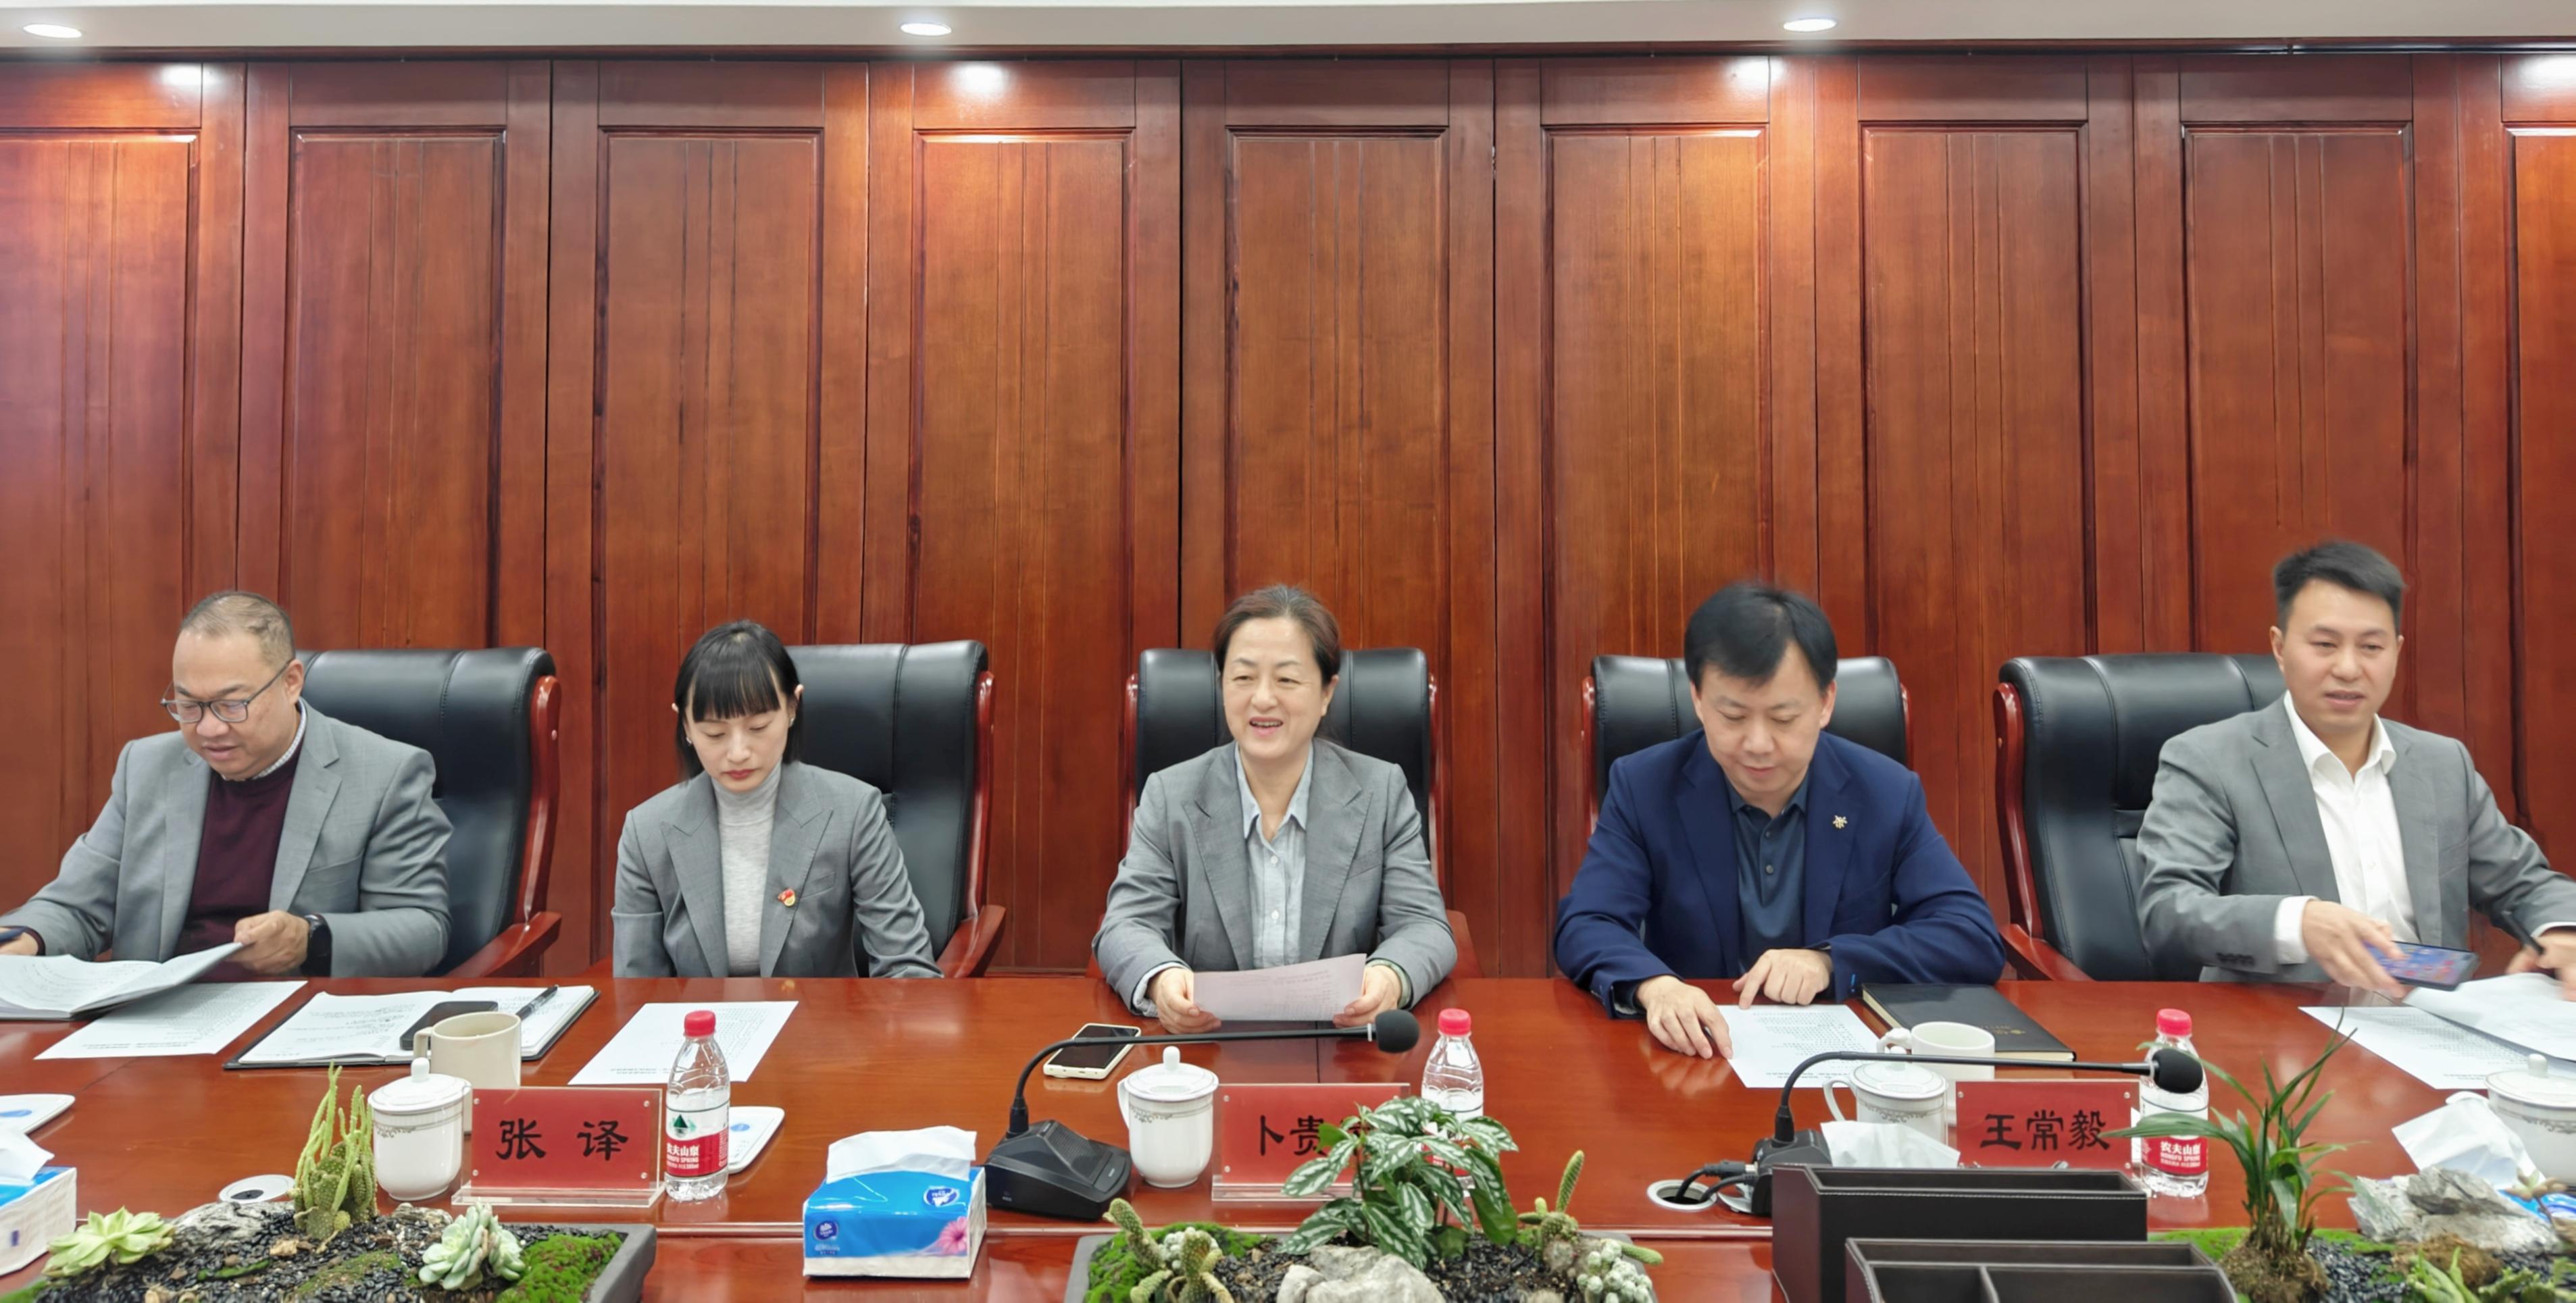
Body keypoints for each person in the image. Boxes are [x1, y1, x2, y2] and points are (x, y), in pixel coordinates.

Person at [1553, 581, 2005, 1058]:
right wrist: (1654, 985)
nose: (1758, 744)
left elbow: (1969, 935)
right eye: (1733, 716)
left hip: (1840, 1065)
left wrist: (1830, 961)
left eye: (1783, 718)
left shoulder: (1885, 792)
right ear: (1699, 700)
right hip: (1695, 1059)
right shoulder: (1645, 786)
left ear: (1825, 703)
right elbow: (1587, 920)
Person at [2138, 540, 2576, 997]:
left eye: (2370, 647)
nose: (2348, 668)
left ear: (2396, 652)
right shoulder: (2209, 760)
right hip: (2283, 1029)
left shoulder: (2442, 765)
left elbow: (2524, 883)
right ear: (2280, 648)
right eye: (2325, 645)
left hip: (2431, 1026)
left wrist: (2563, 929)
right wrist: (2298, 923)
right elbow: (2168, 911)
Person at [0, 592, 451, 976]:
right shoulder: (147, 767)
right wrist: (25, 944)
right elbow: (76, 905)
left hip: (291, 1021)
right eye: (188, 706)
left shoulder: (384, 773)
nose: (209, 729)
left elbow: (423, 929)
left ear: (291, 682)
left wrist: (311, 938)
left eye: (232, 705)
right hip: (151, 1024)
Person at [1094, 585, 1457, 1033]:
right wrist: (1161, 978)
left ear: (1326, 693)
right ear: (1222, 685)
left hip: (1342, 1048)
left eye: (1286, 679)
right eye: (1243, 678)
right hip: (1209, 1047)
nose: (1263, 698)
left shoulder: (1380, 792)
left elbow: (1424, 926)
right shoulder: (1170, 795)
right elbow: (1125, 925)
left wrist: (1389, 977)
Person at [612, 620, 940, 979]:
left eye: (758, 728)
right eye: (715, 733)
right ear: (686, 726)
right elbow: (636, 986)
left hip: (822, 1015)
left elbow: (906, 965)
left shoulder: (854, 812)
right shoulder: (646, 832)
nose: (738, 753)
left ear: (792, 707)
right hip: (698, 1016)